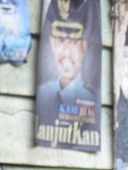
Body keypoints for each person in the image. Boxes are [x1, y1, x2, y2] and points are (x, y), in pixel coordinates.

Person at [35, 0, 99, 131]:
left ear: (84, 47)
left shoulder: (91, 99)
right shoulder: (43, 94)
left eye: (75, 42)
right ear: (52, 44)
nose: (66, 52)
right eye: (61, 40)